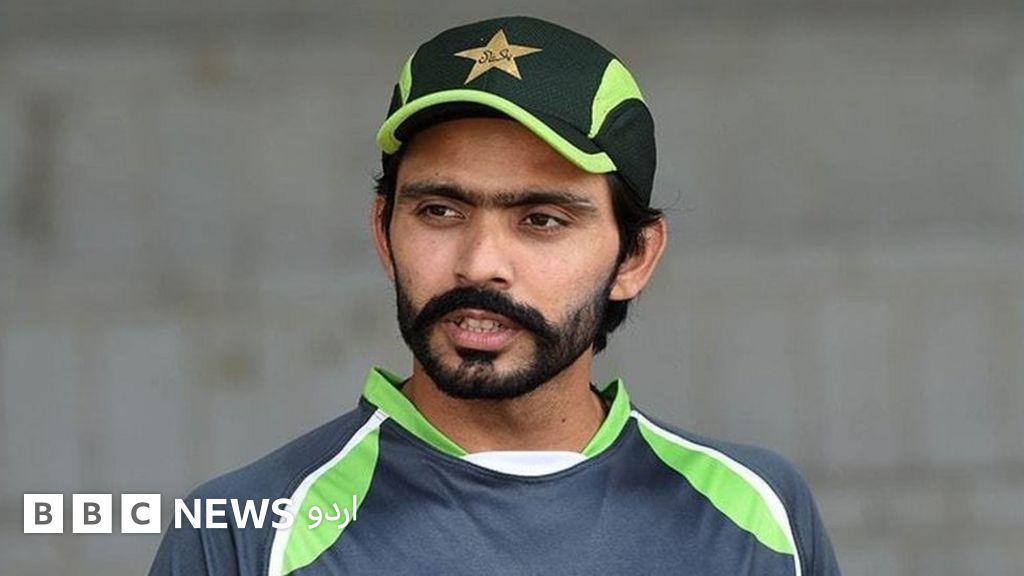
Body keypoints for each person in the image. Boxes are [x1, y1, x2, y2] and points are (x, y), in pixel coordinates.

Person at [149, 15, 840, 576]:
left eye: (542, 220)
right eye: (439, 211)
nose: (480, 265)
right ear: (384, 233)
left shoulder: (756, 512)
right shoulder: (245, 532)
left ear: (634, 256)